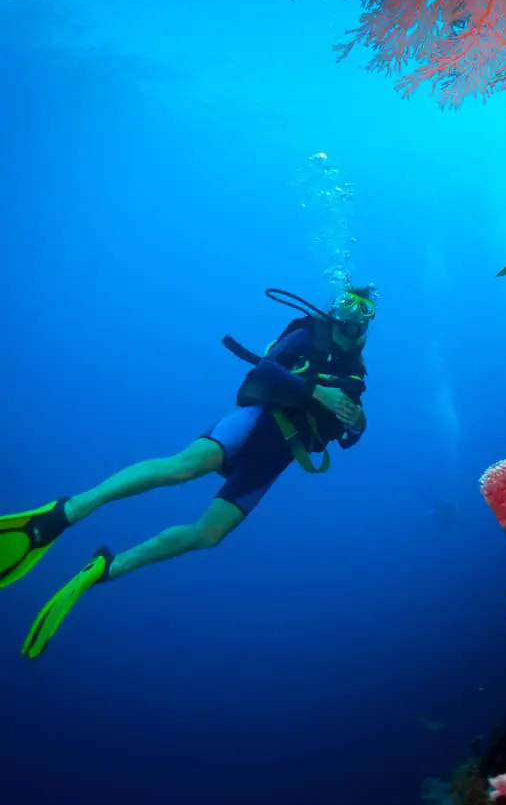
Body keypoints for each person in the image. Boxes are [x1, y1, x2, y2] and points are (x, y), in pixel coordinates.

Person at [0, 282, 376, 659]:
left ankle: (106, 568)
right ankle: (67, 511)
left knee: (209, 534)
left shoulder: (356, 371)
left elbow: (346, 435)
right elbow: (266, 369)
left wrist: (357, 420)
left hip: (276, 456)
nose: (354, 317)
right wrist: (315, 392)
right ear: (335, 308)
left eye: (364, 310)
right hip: (256, 421)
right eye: (348, 305)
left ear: (371, 320)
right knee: (185, 467)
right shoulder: (309, 334)